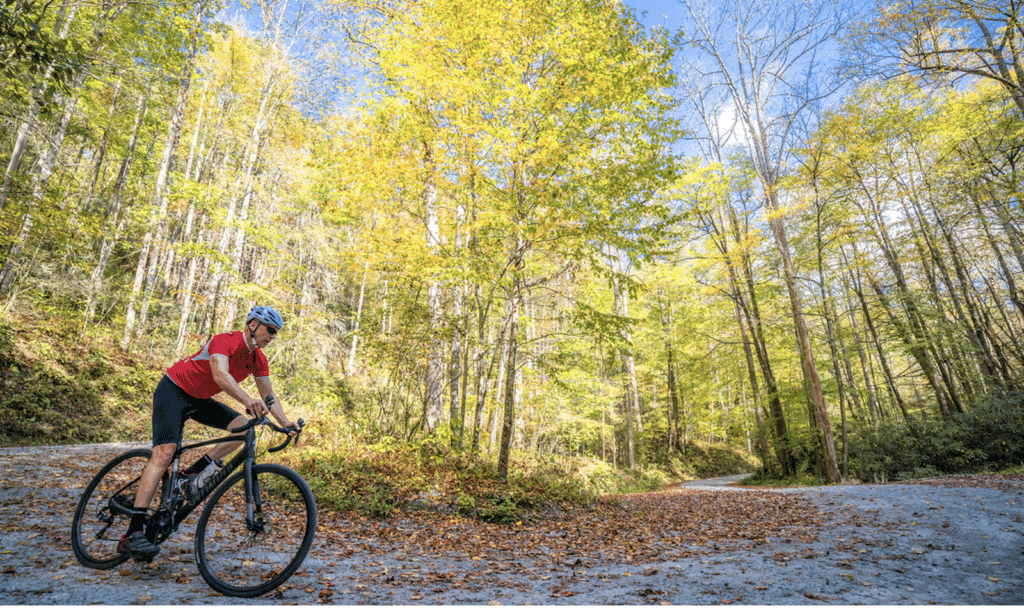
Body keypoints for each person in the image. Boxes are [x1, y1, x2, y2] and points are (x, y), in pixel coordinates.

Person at [119, 305, 297, 561]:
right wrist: (247, 400)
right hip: (174, 391)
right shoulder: (224, 341)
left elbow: (269, 396)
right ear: (253, 325)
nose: (272, 336)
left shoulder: (258, 359)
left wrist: (286, 422)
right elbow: (220, 374)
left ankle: (190, 474)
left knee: (242, 430)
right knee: (164, 454)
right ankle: (133, 533)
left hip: (200, 399)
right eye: (270, 330)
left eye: (276, 333)